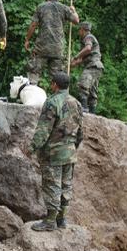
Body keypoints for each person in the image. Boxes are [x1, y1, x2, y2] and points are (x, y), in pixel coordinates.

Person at [27, 72, 83, 232]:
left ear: (54, 85)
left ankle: (50, 221)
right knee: (66, 186)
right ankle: (61, 219)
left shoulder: (52, 102)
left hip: (53, 154)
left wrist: (32, 148)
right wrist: (73, 147)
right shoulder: (77, 103)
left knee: (52, 186)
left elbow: (43, 130)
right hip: (70, 153)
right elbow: (81, 132)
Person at [24, 0, 79, 85]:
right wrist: (73, 11)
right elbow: (76, 20)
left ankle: (32, 93)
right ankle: (59, 98)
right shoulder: (64, 8)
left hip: (42, 47)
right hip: (57, 48)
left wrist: (27, 39)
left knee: (34, 72)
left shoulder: (41, 7)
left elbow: (33, 25)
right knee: (57, 78)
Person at [71, 22, 104, 114]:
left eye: (79, 30)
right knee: (93, 91)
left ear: (82, 30)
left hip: (93, 65)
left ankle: (84, 108)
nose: (79, 32)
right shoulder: (88, 38)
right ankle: (92, 112)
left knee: (83, 85)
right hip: (96, 66)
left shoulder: (88, 37)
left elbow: (88, 48)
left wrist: (75, 57)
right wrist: (73, 64)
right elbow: (84, 58)